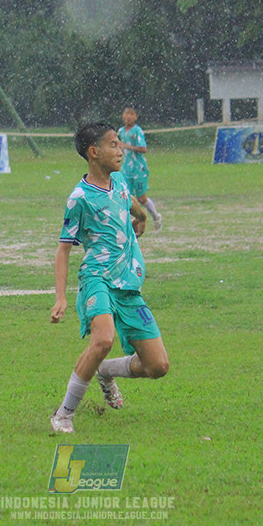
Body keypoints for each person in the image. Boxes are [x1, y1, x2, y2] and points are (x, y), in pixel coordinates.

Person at [49, 122, 170, 434]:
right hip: (97, 279)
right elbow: (63, 250)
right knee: (103, 339)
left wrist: (141, 219)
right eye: (114, 145)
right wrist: (61, 297)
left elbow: (132, 206)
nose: (120, 150)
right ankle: (63, 414)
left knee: (157, 366)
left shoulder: (119, 182)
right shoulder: (79, 197)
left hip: (128, 284)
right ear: (94, 152)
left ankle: (104, 370)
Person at [117, 107, 162, 229]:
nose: (129, 117)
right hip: (126, 169)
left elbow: (143, 149)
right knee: (127, 198)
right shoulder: (121, 131)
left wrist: (126, 146)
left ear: (136, 117)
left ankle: (156, 216)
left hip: (139, 169)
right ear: (122, 116)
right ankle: (130, 226)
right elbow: (121, 147)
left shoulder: (137, 131)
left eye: (131, 114)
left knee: (141, 198)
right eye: (126, 114)